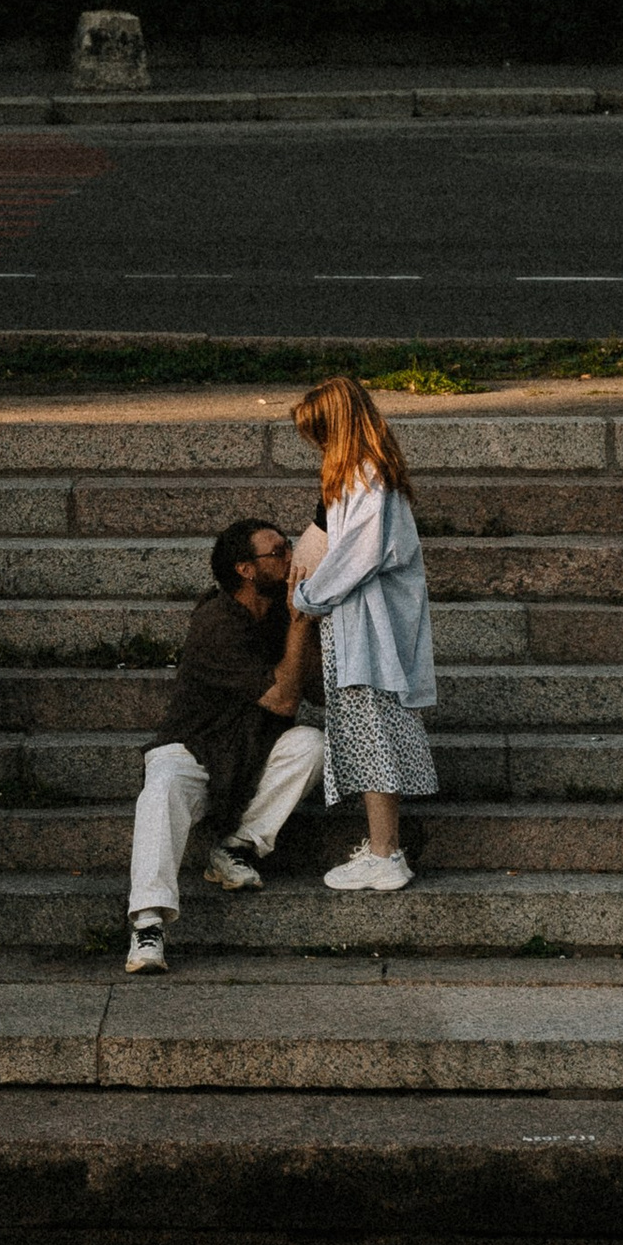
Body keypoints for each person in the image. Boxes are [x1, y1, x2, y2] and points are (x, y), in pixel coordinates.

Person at [124, 517, 326, 976]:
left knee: (312, 744)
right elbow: (284, 698)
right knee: (162, 787)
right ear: (246, 570)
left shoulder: (279, 612)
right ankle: (148, 923)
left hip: (254, 749)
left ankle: (236, 847)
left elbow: (314, 691)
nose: (292, 558)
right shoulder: (215, 623)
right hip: (194, 750)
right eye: (278, 553)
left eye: (289, 547)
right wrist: (299, 624)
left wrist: (307, 621)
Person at [286, 373, 438, 897]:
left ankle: (384, 854)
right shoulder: (365, 477)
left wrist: (307, 599)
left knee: (374, 736)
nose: (319, 448)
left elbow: (358, 556)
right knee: (370, 735)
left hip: (369, 635)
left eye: (321, 436)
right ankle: (382, 848)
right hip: (360, 631)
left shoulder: (366, 477)